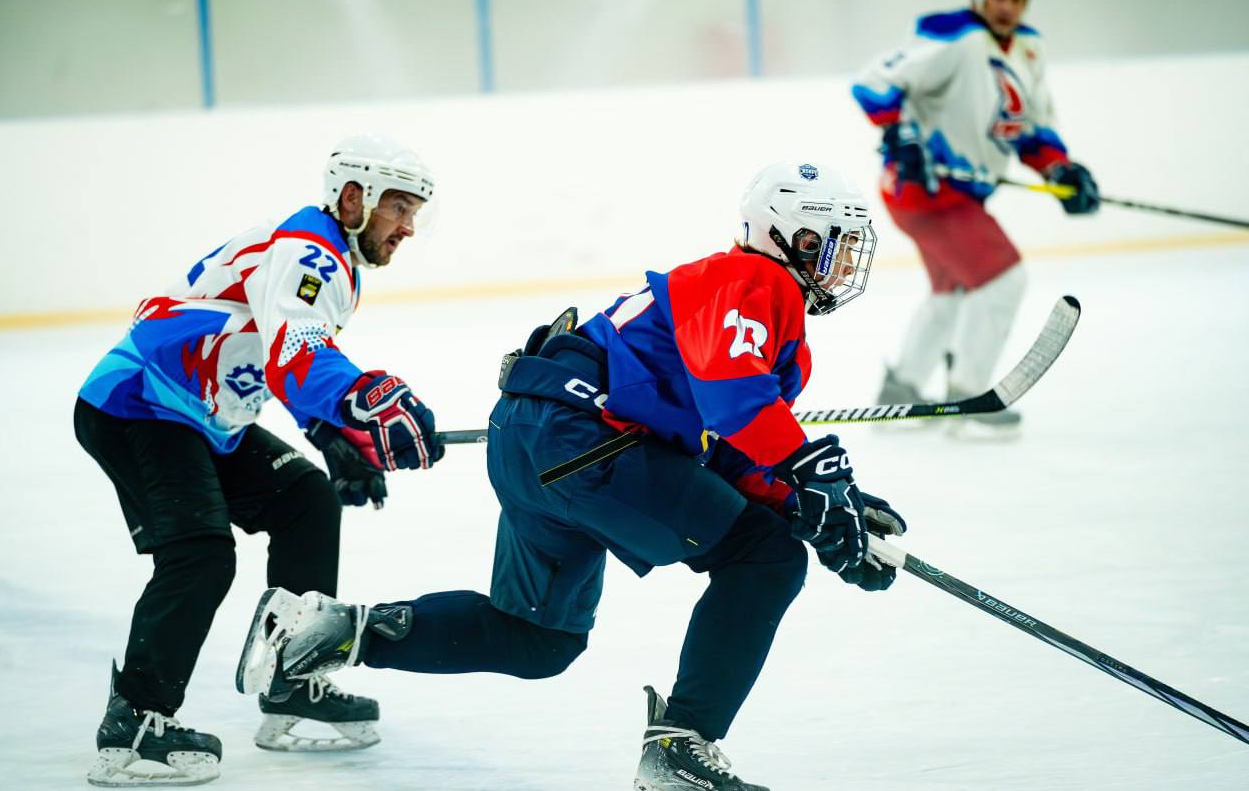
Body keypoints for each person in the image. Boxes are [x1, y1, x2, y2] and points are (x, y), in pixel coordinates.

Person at [235, 160, 909, 791]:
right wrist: (818, 476)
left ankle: (329, 631)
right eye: (834, 244)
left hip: (536, 438)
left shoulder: (744, 303)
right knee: (765, 559)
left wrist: (820, 505)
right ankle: (682, 746)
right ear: (790, 235)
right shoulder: (757, 281)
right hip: (585, 441)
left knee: (537, 639)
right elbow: (737, 398)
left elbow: (735, 455)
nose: (846, 262)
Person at [74, 133, 445, 786]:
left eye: (415, 211)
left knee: (307, 500)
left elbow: (277, 356)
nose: (408, 227)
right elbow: (298, 350)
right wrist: (360, 398)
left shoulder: (331, 258)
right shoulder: (312, 253)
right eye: (398, 208)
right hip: (140, 402)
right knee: (201, 552)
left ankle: (291, 680)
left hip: (200, 414)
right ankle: (135, 720)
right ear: (352, 197)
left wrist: (328, 435)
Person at [852, 0, 1099, 431]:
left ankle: (901, 387)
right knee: (1003, 278)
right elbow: (873, 83)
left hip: (957, 194)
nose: (1006, 6)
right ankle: (968, 393)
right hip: (925, 190)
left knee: (955, 290)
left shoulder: (1028, 49)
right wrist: (901, 134)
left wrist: (1059, 171)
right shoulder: (953, 34)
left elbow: (1030, 129)